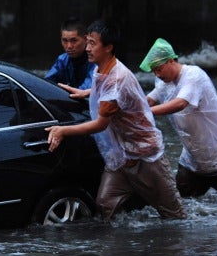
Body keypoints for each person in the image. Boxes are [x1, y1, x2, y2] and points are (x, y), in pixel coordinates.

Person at [45, 20, 186, 221]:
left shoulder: (117, 79)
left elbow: (100, 123)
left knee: (174, 217)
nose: (87, 48)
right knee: (104, 207)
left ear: (108, 47)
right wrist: (87, 92)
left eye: (92, 44)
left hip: (145, 157)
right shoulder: (100, 68)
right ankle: (118, 250)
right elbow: (105, 94)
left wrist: (62, 131)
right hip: (120, 157)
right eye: (88, 42)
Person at [140, 38, 217, 197]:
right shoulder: (165, 82)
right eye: (154, 71)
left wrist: (147, 113)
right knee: (181, 208)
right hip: (192, 162)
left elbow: (180, 103)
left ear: (170, 61)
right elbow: (147, 101)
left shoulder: (193, 75)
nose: (157, 74)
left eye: (158, 69)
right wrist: (126, 107)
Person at [44, 17, 96, 96]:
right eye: (65, 40)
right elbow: (45, 84)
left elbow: (84, 91)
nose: (69, 46)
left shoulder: (95, 60)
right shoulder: (62, 60)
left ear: (86, 39)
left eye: (74, 40)